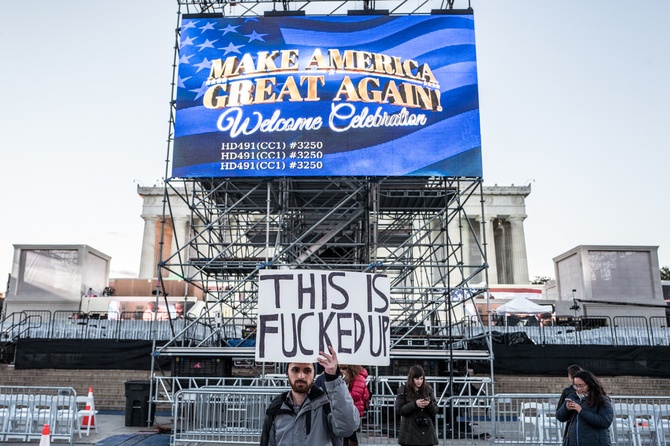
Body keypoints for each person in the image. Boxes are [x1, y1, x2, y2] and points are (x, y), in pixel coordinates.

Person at [260, 346, 360, 446]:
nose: (301, 376)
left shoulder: (327, 405)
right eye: (295, 370)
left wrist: (333, 379)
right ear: (287, 373)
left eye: (307, 371)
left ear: (314, 374)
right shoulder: (276, 408)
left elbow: (347, 428)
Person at [556, 370, 614, 446]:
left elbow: (605, 422)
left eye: (581, 385)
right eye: (575, 385)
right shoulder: (572, 396)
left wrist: (581, 411)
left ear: (590, 384)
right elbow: (560, 417)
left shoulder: (602, 399)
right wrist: (566, 408)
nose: (578, 389)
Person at [395, 365, 438, 446]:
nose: (419, 381)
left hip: (426, 433)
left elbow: (435, 410)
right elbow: (399, 410)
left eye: (421, 379)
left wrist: (429, 404)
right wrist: (415, 404)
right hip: (409, 434)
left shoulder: (428, 390)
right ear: (412, 378)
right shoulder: (403, 390)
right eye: (417, 379)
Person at [338, 364, 370, 446]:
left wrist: (342, 396)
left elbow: (356, 394)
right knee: (347, 434)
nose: (341, 371)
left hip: (354, 409)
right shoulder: (353, 378)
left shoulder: (358, 378)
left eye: (344, 368)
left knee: (350, 434)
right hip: (350, 408)